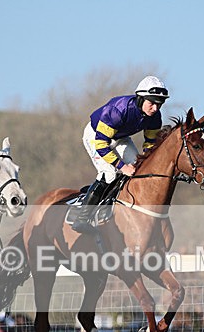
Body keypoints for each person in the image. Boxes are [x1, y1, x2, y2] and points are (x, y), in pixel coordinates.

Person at [72, 75, 170, 233]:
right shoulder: (119, 109)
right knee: (110, 173)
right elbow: (102, 144)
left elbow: (150, 144)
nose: (155, 109)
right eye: (152, 103)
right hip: (96, 136)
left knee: (138, 171)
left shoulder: (155, 117)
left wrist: (146, 161)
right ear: (140, 99)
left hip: (120, 138)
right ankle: (81, 218)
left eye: (160, 104)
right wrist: (122, 167)